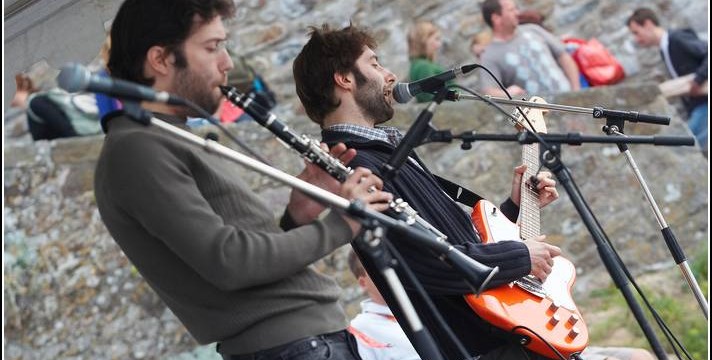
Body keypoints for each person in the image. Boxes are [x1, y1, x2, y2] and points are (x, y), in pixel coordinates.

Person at [292, 23, 655, 360]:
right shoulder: (356, 165)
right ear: (344, 79)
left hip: (502, 330)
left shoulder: (383, 150)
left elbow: (449, 240)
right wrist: (519, 257)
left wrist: (512, 208)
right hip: (484, 343)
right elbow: (422, 266)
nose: (390, 75)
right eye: (374, 63)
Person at [94, 1, 394, 360]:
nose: (228, 63)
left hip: (305, 342)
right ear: (161, 59)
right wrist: (344, 222)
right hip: (291, 348)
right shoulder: (137, 148)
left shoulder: (168, 135)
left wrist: (297, 214)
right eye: (212, 47)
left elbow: (246, 261)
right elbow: (229, 261)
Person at [627, 7, 708, 149]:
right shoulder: (665, 48)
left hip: (704, 104)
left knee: (683, 147)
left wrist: (698, 80)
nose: (637, 39)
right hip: (697, 107)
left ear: (648, 24)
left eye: (636, 32)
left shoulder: (676, 39)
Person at [478, 0, 581, 97]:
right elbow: (489, 92)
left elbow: (563, 56)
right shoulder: (489, 56)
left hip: (569, 101)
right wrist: (507, 94)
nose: (517, 13)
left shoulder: (533, 30)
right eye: (511, 10)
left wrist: (576, 90)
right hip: (541, 114)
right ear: (496, 18)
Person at [347, 250, 421, 360]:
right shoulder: (358, 331)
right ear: (363, 283)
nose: (388, 272)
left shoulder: (424, 306)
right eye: (376, 269)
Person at [406, 21, 452, 103]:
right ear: (423, 41)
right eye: (436, 39)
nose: (439, 44)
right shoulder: (423, 67)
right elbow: (432, 99)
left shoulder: (419, 64)